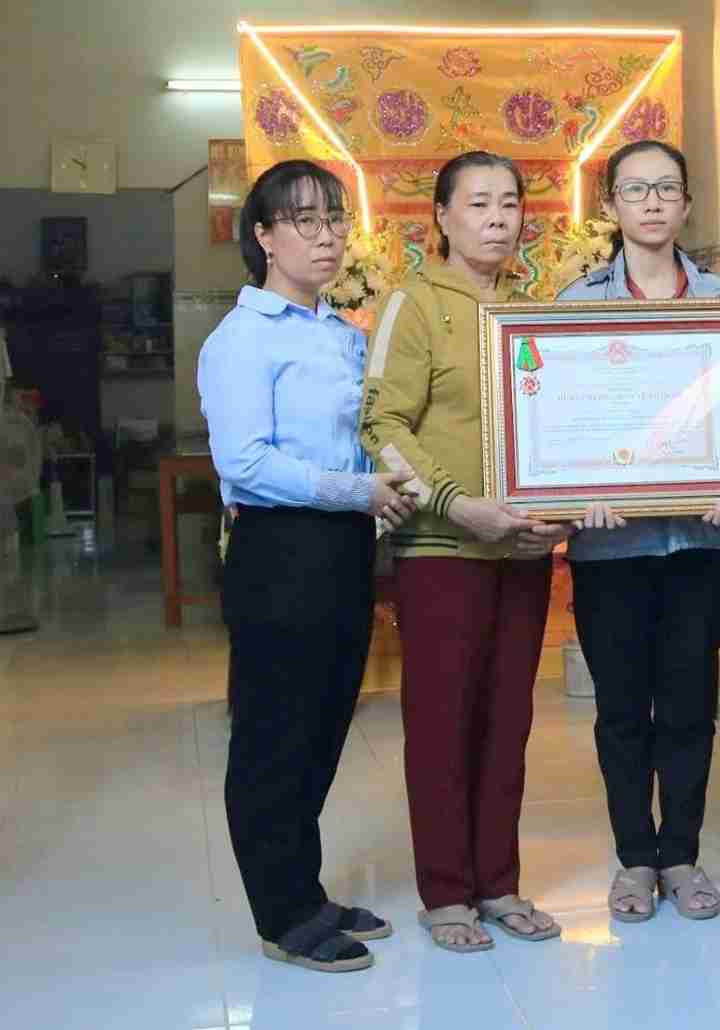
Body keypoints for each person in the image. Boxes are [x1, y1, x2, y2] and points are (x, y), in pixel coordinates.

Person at [199, 159, 418, 973]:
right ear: (262, 236)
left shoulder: (338, 332)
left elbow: (363, 435)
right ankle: (280, 913)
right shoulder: (242, 339)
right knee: (272, 734)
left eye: (334, 219)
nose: (325, 236)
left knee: (325, 722)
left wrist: (387, 486)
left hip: (340, 548)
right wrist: (355, 490)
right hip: (277, 549)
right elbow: (245, 462)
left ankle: (306, 887)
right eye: (303, 221)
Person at [360, 151, 572, 953]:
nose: (496, 217)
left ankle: (500, 883)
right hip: (443, 548)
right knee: (442, 719)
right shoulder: (412, 305)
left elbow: (558, 425)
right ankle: (446, 892)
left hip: (520, 550)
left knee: (508, 720)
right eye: (477, 203)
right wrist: (458, 505)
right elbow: (382, 428)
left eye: (510, 202)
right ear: (441, 218)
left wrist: (563, 511)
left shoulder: (535, 309)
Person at [556, 140, 720, 923]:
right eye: (636, 189)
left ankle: (685, 855)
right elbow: (562, 424)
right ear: (612, 208)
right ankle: (636, 857)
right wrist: (578, 494)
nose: (654, 202)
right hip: (612, 546)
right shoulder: (574, 305)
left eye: (668, 187)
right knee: (624, 708)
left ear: (688, 203)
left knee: (692, 702)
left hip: (703, 540)